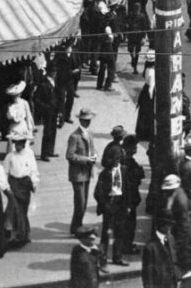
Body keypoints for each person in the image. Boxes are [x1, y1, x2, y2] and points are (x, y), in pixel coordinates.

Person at [93, 147, 130, 268]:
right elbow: (97, 193)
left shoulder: (124, 170)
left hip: (120, 204)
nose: (116, 161)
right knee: (107, 234)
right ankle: (102, 260)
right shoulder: (104, 173)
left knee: (120, 232)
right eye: (114, 159)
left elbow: (128, 189)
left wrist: (128, 205)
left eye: (117, 159)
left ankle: (117, 257)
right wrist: (105, 205)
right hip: (109, 204)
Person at [2, 133, 39, 247]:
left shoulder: (29, 155)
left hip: (25, 185)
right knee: (14, 209)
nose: (17, 146)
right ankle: (14, 235)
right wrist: (6, 187)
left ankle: (24, 234)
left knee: (23, 210)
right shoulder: (10, 157)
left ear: (24, 144)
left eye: (20, 143)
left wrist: (34, 182)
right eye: (16, 143)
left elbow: (33, 170)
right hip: (14, 185)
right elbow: (5, 172)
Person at [67, 107, 98, 236]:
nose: (87, 122)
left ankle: (78, 225)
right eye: (85, 120)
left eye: (89, 120)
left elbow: (92, 149)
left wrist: (95, 156)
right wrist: (86, 159)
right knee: (80, 202)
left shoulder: (89, 134)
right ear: (80, 120)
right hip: (77, 174)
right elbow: (70, 155)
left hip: (86, 172)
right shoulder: (74, 136)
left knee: (84, 202)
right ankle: (75, 226)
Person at [120, 135, 145, 256]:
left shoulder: (125, 160)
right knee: (129, 224)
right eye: (134, 146)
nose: (136, 149)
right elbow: (137, 178)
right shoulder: (128, 163)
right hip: (129, 199)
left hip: (129, 199)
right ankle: (127, 246)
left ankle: (127, 244)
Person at [141, 215, 179, 288]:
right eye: (168, 225)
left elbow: (174, 260)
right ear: (162, 225)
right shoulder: (150, 247)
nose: (170, 228)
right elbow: (147, 274)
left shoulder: (171, 239)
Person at [33, 68, 60, 161]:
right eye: (54, 71)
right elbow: (36, 99)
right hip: (47, 111)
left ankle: (50, 151)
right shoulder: (43, 84)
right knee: (47, 132)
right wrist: (45, 107)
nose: (55, 73)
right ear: (51, 72)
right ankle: (44, 154)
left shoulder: (54, 82)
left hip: (54, 110)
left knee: (53, 131)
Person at [5, 80, 34, 146]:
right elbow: (8, 117)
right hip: (13, 127)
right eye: (13, 96)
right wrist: (10, 113)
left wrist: (30, 128)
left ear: (20, 95)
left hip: (22, 126)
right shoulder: (10, 105)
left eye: (17, 95)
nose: (15, 97)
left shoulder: (24, 103)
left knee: (23, 145)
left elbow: (28, 116)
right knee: (13, 146)